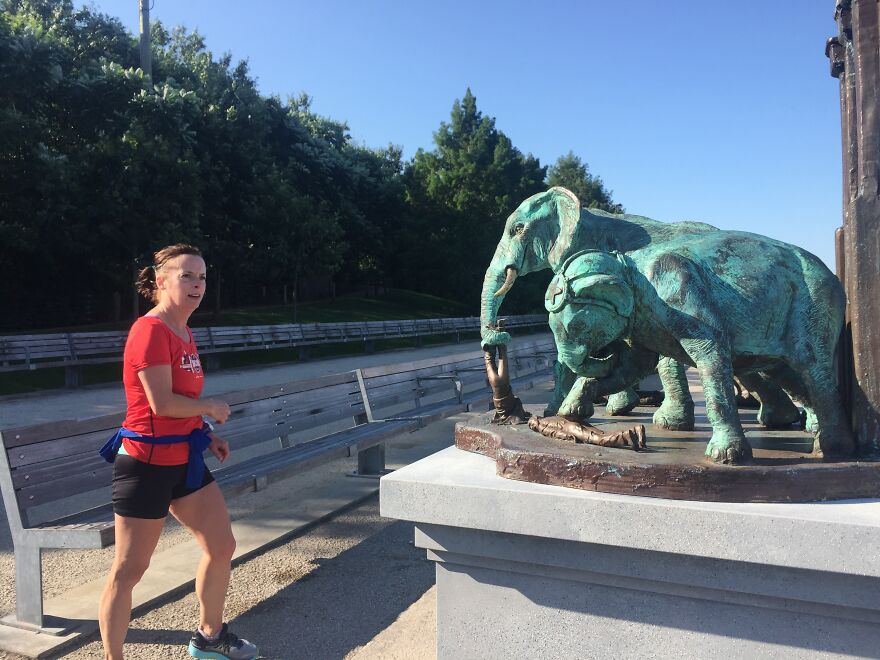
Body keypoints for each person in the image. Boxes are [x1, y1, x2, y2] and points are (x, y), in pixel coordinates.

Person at [98, 244, 258, 660]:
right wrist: (208, 407)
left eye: (202, 277)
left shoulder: (184, 332)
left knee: (221, 545)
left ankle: (209, 637)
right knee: (129, 571)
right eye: (186, 275)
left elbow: (180, 405)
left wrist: (205, 433)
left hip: (182, 459)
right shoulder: (149, 330)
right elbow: (162, 404)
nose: (197, 284)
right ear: (160, 280)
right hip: (144, 465)